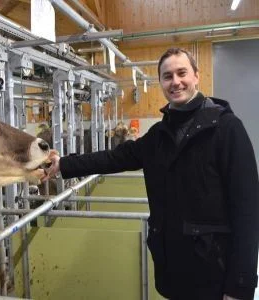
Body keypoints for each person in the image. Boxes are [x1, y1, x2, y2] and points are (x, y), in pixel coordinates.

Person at [43, 48, 259, 300]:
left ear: (197, 76)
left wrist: (239, 286)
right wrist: (64, 165)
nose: (175, 82)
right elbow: (115, 158)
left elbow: (247, 210)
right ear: (161, 83)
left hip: (213, 274)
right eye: (168, 76)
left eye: (182, 73)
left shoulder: (226, 129)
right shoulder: (159, 135)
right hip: (173, 272)